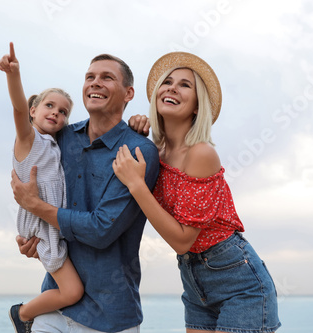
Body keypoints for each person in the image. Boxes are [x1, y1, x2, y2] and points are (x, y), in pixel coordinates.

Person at [112, 52, 281, 333]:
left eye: (184, 85)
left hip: (239, 282)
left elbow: (182, 241)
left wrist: (137, 185)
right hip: (193, 281)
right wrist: (134, 134)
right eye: (167, 82)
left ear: (196, 106)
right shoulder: (155, 153)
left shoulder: (201, 153)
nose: (172, 88)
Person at [11, 53, 160, 332]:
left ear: (129, 93)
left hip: (107, 316)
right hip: (53, 305)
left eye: (107, 77)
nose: (95, 83)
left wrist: (35, 206)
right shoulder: (62, 136)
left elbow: (101, 230)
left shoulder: (139, 151)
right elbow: (35, 168)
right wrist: (33, 239)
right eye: (90, 77)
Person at [0, 42, 84, 333]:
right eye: (49, 106)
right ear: (34, 111)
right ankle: (21, 314)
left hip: (52, 222)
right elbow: (18, 108)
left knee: (71, 289)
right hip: (41, 227)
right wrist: (13, 75)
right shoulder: (28, 140)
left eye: (63, 112)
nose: (56, 113)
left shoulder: (54, 145)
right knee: (72, 292)